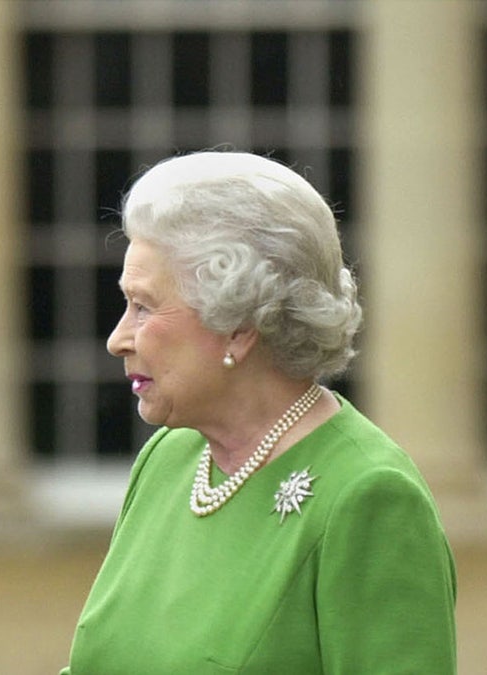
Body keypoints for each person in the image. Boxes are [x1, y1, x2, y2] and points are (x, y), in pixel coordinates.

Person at [61, 151, 456, 673]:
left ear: (239, 324)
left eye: (144, 306)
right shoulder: (171, 457)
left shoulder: (368, 496)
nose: (118, 339)